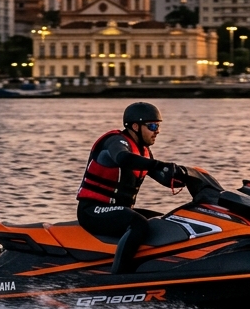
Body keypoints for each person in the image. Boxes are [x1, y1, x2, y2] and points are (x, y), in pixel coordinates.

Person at [76, 102, 186, 274]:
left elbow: (163, 178)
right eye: (152, 126)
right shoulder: (114, 142)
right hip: (92, 211)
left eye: (158, 126)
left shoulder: (143, 152)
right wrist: (159, 165)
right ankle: (119, 276)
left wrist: (185, 177)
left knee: (165, 220)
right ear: (135, 126)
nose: (157, 131)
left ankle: (160, 268)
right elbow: (122, 158)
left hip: (117, 210)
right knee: (138, 223)